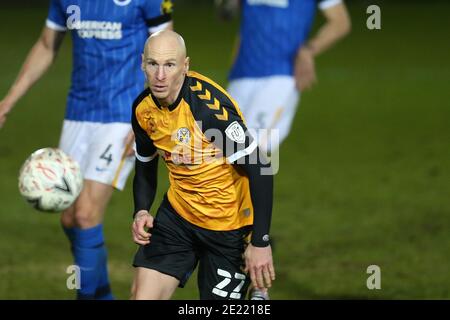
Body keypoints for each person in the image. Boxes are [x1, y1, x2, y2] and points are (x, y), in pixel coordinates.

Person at [0, 0, 173, 300]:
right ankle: (102, 295)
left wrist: (150, 114)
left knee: (85, 214)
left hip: (124, 115)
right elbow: (46, 44)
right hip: (78, 113)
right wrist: (7, 102)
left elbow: (167, 52)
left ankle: (88, 296)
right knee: (69, 217)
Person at [217, 0, 351, 299]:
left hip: (280, 76)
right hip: (241, 79)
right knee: (227, 171)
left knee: (254, 163)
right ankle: (234, 267)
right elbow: (231, 16)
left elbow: (340, 21)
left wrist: (309, 50)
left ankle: (258, 284)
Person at [130, 30, 275, 300]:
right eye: (153, 64)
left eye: (170, 65)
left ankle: (258, 292)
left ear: (185, 66)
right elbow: (145, 162)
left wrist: (260, 242)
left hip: (229, 226)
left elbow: (260, 167)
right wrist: (140, 210)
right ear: (142, 63)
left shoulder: (208, 111)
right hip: (178, 217)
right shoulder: (143, 109)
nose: (160, 75)